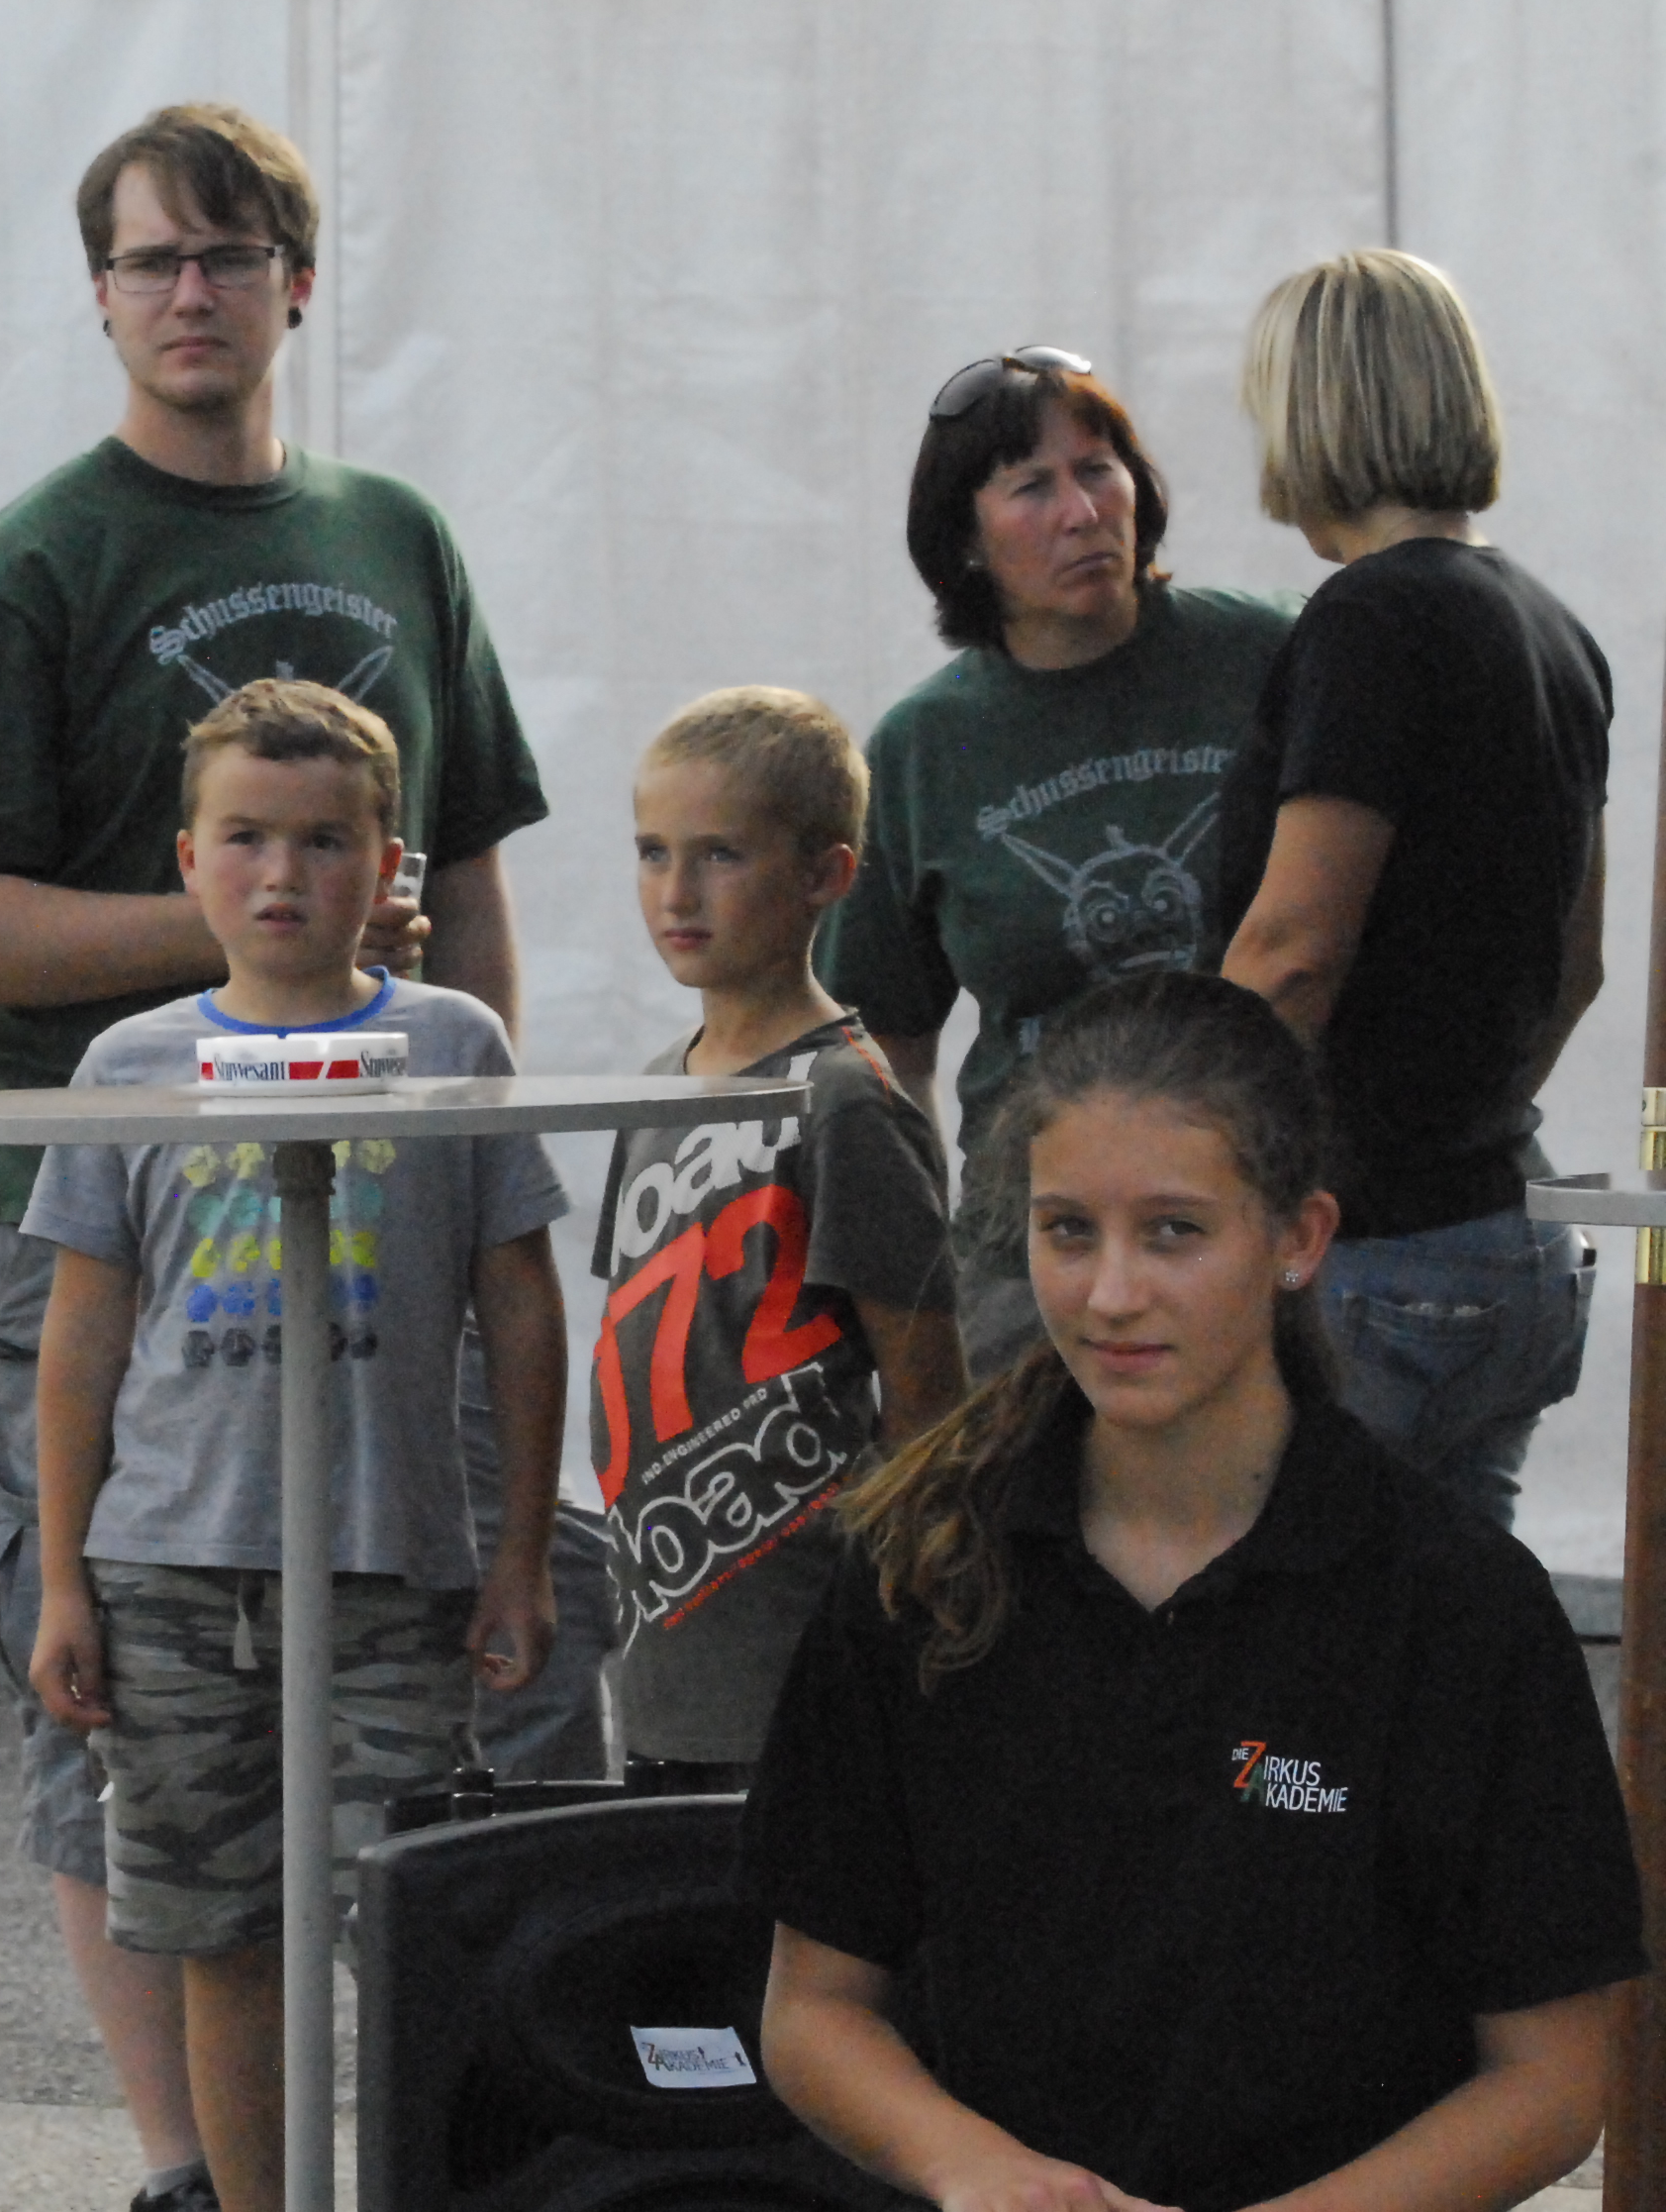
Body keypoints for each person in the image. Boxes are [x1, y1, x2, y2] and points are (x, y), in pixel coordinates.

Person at [0, 103, 566, 2212]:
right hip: (89, 1213)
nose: (192, 293)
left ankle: (416, 2150)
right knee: (138, 1702)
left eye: (230, 254)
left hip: (386, 1194)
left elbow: (466, 863)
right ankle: (192, 2169)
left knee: (407, 1689)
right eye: (152, 260)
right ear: (98, 296)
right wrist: (252, 944)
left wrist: (461, 1109)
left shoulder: (396, 534)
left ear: (296, 281)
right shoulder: (29, 565)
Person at [748, 971, 1639, 2211]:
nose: (1111, 1294)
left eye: (1172, 1231)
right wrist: (980, 2172)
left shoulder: (1456, 1605)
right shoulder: (918, 1565)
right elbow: (810, 2008)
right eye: (1067, 1231)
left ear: (1297, 1240)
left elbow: (1551, 2077)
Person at [24, 678, 568, 2212]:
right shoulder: (130, 1064)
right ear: (188, 861)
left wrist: (520, 1555)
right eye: (247, 838)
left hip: (387, 1567)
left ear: (386, 865)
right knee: (221, 1933)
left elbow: (520, 1303)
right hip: (173, 1575)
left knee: (406, 1927)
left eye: (325, 842)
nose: (283, 875)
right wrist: (63, 1582)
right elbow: (82, 1340)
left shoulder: (450, 1038)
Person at [1216, 250, 1609, 1530]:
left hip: (1369, 1258)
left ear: (1312, 411)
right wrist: (1457, 1120)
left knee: (1298, 1624)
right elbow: (1579, 966)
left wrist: (1184, 1162)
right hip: (1508, 1234)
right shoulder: (1552, 630)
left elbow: (1292, 949)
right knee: (1444, 1623)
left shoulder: (1369, 623)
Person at [826, 350, 1293, 1371]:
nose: (1081, 513)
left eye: (1097, 469)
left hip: (1250, 1224)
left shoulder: (1268, 658)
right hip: (1031, 1257)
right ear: (964, 539)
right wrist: (919, 1285)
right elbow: (883, 1052)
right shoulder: (921, 751)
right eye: (1031, 486)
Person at [594, 687, 960, 1787]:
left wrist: (905, 1618)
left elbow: (928, 1397)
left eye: (720, 855)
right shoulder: (654, 1085)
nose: (676, 892)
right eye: (652, 853)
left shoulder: (844, 1099)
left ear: (825, 876)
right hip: (664, 1639)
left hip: (808, 1648)